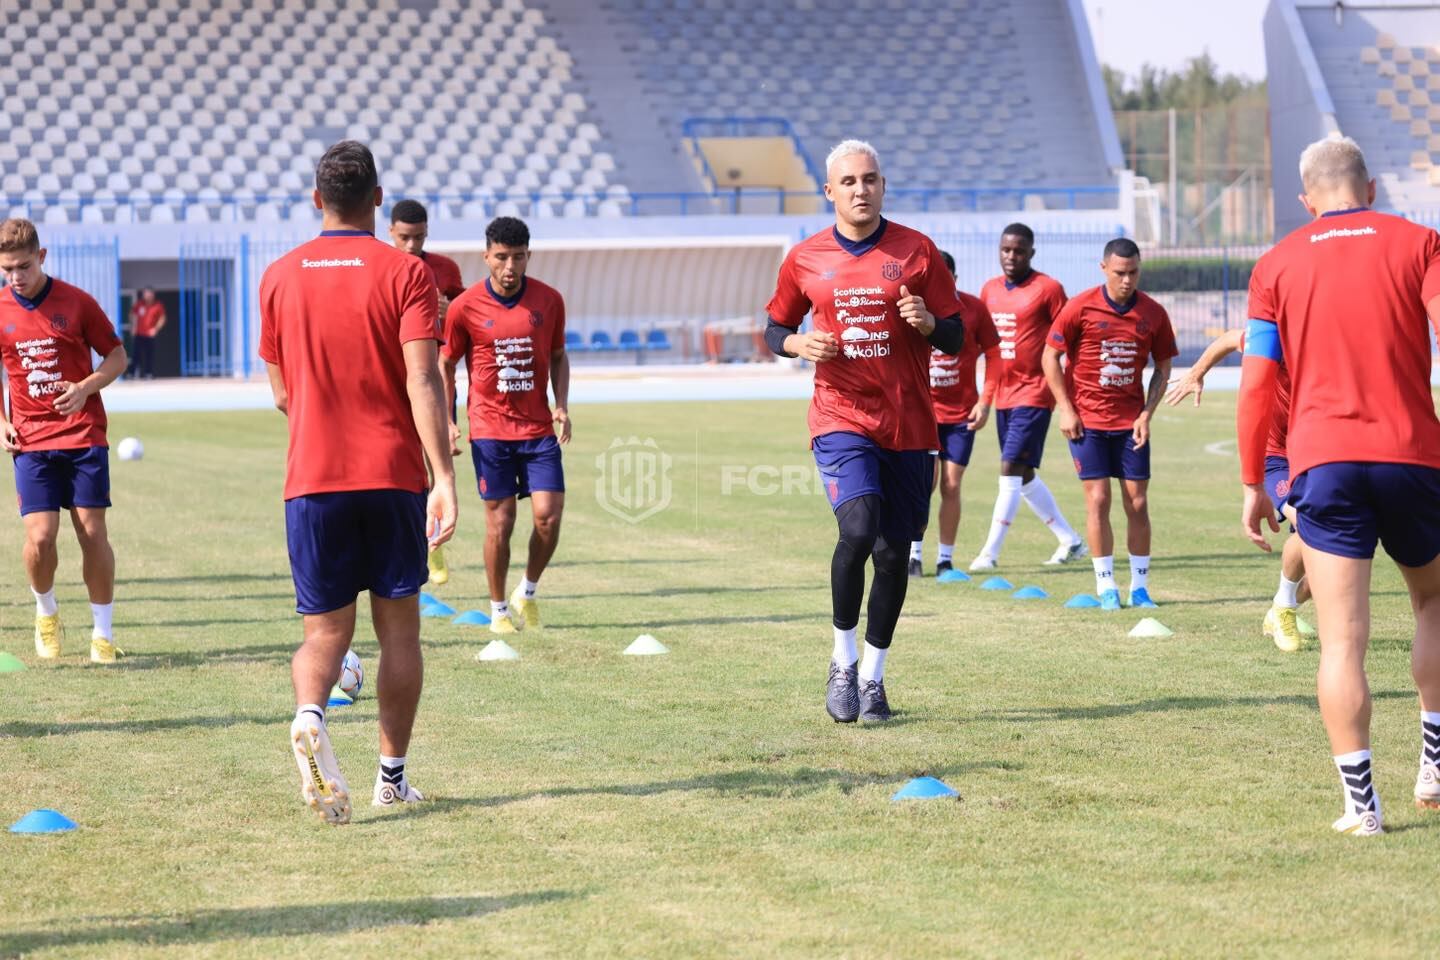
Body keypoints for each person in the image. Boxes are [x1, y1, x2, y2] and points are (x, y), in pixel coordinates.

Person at [1235, 135, 1440, 836]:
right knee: (1433, 602)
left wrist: (1251, 482)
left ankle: (1363, 807)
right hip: (1413, 456)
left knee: (1342, 644)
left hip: (1321, 461)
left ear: (1305, 199)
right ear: (1372, 188)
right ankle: (1434, 765)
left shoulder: (1277, 263)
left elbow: (1259, 383)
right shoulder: (1420, 243)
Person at [259, 141, 457, 825]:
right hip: (391, 474)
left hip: (312, 479)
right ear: (377, 198)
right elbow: (422, 377)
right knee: (399, 630)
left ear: (318, 201)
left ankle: (311, 713)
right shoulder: (405, 273)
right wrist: (444, 475)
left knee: (324, 635)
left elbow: (281, 391)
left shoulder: (279, 276)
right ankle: (391, 780)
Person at [763, 139, 964, 723]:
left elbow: (954, 334)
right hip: (840, 415)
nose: (860, 190)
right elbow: (775, 328)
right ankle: (842, 661)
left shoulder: (918, 251)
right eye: (848, 182)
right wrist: (800, 344)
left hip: (909, 422)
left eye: (870, 179)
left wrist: (928, 321)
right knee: (859, 527)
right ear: (829, 190)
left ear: (882, 185)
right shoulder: (804, 258)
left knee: (894, 554)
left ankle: (874, 679)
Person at [0, 218, 127, 663]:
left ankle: (103, 634)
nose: (16, 276)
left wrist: (85, 387)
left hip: (84, 435)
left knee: (92, 534)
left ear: (43, 257)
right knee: (40, 539)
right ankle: (46, 612)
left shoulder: (77, 302)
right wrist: (2, 421)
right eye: (7, 269)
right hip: (31, 441)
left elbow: (117, 355)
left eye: (23, 266)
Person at [440, 216, 570, 637]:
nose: (509, 266)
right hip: (490, 429)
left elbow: (557, 356)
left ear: (528, 255)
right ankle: (498, 610)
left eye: (517, 257)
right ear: (487, 256)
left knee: (548, 518)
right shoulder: (465, 307)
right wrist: (448, 419)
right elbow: (445, 364)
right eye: (501, 257)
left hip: (537, 430)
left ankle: (526, 592)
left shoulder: (549, 301)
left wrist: (561, 406)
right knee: (502, 520)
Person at [1042, 237, 1176, 611]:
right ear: (1104, 269)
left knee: (1137, 502)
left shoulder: (1153, 313)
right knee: (1098, 500)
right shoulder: (1079, 307)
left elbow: (1163, 366)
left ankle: (1140, 588)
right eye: (1120, 273)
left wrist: (1147, 413)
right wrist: (1065, 409)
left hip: (1131, 423)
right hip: (1088, 423)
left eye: (1133, 272)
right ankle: (1106, 586)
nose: (1127, 280)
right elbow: (1050, 357)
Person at [1165, 329, 1315, 652]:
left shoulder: (1338, 345)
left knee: (1329, 559)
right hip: (1277, 458)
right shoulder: (1281, 337)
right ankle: (1285, 608)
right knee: (1311, 525)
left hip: (1317, 455)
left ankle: (1281, 607)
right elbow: (1229, 339)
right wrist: (1195, 373)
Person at [971, 224, 1085, 571]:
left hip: (1035, 392)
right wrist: (984, 397)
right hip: (1003, 395)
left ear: (1031, 253)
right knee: (1023, 476)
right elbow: (986, 346)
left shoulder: (1048, 289)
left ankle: (988, 555)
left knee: (1009, 470)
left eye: (1019, 251)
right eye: (1006, 250)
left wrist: (1069, 394)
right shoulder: (989, 290)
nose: (1011, 256)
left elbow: (1069, 337)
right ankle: (1070, 540)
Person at [909, 249, 1000, 577]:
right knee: (924, 484)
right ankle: (914, 556)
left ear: (955, 280)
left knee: (951, 484)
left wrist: (985, 401)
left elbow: (994, 354)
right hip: (923, 415)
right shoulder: (912, 311)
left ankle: (945, 559)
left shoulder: (973, 309)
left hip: (962, 416)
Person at [389, 199, 466, 585]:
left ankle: (432, 547)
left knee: (433, 468)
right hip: (392, 382)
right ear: (391, 232)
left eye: (419, 237)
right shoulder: (382, 268)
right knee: (409, 472)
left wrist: (448, 307)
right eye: (404, 237)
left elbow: (468, 317)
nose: (411, 245)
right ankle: (412, 545)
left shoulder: (445, 270)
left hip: (430, 382)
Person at [128, 287, 165, 379]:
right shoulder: (139, 304)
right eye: (144, 294)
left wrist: (155, 329)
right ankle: (131, 373)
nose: (145, 296)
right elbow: (132, 314)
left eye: (147, 294)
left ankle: (149, 373)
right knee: (136, 354)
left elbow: (162, 318)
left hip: (150, 335)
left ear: (152, 295)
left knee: (150, 354)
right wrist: (133, 326)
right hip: (139, 334)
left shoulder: (158, 305)